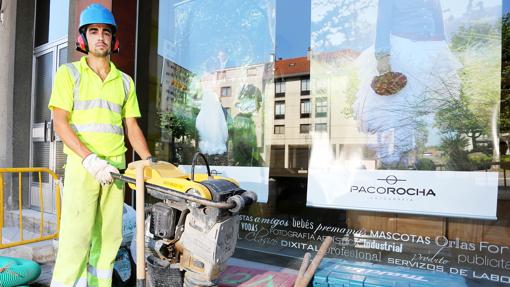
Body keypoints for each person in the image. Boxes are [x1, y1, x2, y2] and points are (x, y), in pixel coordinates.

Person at [48, 4, 152, 286]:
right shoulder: (69, 74)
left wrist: (149, 161)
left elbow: (131, 126)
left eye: (106, 32)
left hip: (115, 172)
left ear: (114, 40)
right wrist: (90, 160)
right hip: (85, 169)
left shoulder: (126, 82)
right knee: (76, 239)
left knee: (108, 241)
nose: (101, 37)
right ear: (83, 39)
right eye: (93, 31)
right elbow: (60, 123)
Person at [353, 0, 461, 168]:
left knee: (422, 106)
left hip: (430, 49)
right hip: (401, 49)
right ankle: (391, 159)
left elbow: (438, 21)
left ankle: (415, 156)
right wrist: (383, 56)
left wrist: (442, 49)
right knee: (395, 106)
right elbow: (383, 23)